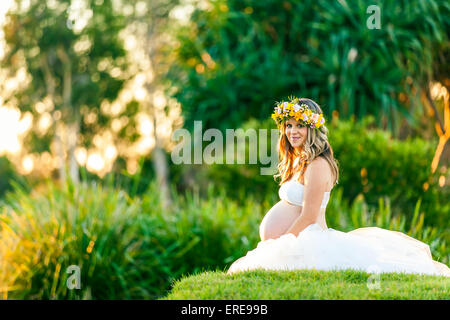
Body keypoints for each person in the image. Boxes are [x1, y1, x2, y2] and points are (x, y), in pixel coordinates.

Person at [227, 96, 450, 277]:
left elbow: (308, 215)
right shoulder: (300, 160)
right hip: (296, 238)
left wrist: (279, 245)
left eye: (300, 126)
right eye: (289, 125)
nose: (292, 131)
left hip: (305, 239)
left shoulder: (318, 164)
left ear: (313, 129)